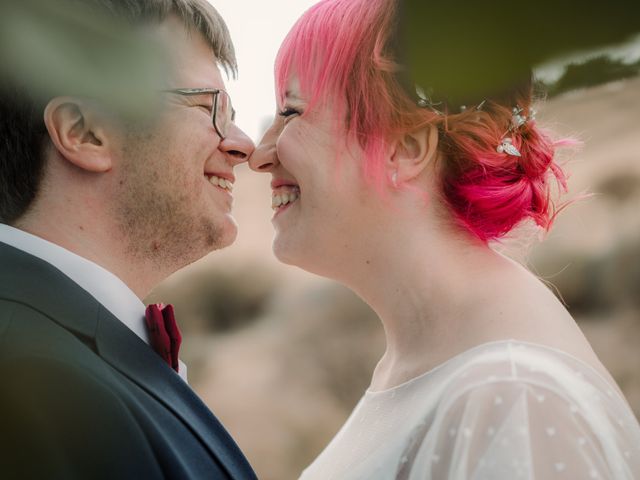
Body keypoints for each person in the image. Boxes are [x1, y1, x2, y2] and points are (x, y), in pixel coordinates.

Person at [248, 0, 640, 478]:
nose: (260, 155)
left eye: (291, 112)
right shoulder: (431, 360)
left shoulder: (513, 397)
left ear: (406, 148)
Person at [0, 0, 256, 478]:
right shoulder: (32, 377)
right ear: (85, 132)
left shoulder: (65, 352)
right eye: (208, 107)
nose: (244, 144)